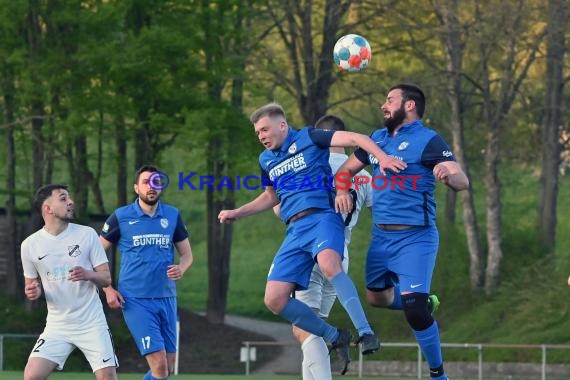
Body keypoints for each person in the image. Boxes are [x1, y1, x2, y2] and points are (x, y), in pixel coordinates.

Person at [218, 103, 407, 375]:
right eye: (257, 132)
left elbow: (357, 139)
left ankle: (366, 333)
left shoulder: (310, 137)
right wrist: (238, 212)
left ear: (282, 125)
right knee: (274, 299)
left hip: (321, 218)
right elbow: (272, 197)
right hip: (295, 231)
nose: (260, 136)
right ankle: (334, 336)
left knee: (331, 265)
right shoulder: (266, 160)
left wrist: (383, 158)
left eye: (264, 129)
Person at [335, 83, 469, 380]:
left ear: (409, 105)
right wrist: (342, 190)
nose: (384, 105)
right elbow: (345, 172)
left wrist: (448, 176)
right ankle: (423, 300)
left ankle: (438, 374)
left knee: (415, 312)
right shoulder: (376, 139)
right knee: (376, 298)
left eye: (390, 99)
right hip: (381, 238)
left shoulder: (428, 140)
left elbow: (463, 180)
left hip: (416, 238)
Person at [291, 115, 372, 379]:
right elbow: (380, 209)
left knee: (305, 327)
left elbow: (282, 207)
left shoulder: (311, 166)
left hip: (311, 248)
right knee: (315, 326)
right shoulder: (364, 176)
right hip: (341, 252)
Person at [99, 165, 194, 380]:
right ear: (136, 188)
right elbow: (95, 254)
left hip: (167, 297)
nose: (151, 187)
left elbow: (187, 255)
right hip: (135, 299)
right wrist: (108, 289)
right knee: (159, 365)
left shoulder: (172, 214)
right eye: (146, 182)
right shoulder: (121, 216)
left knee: (167, 369)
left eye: (156, 183)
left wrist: (181, 268)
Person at [20, 184, 118, 380]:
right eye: (63, 199)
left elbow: (106, 278)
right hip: (57, 325)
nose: (70, 202)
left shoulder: (87, 234)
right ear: (47, 208)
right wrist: (34, 292)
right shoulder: (30, 245)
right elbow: (30, 287)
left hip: (91, 322)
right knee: (31, 376)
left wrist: (88, 274)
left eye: (69, 198)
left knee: (107, 377)